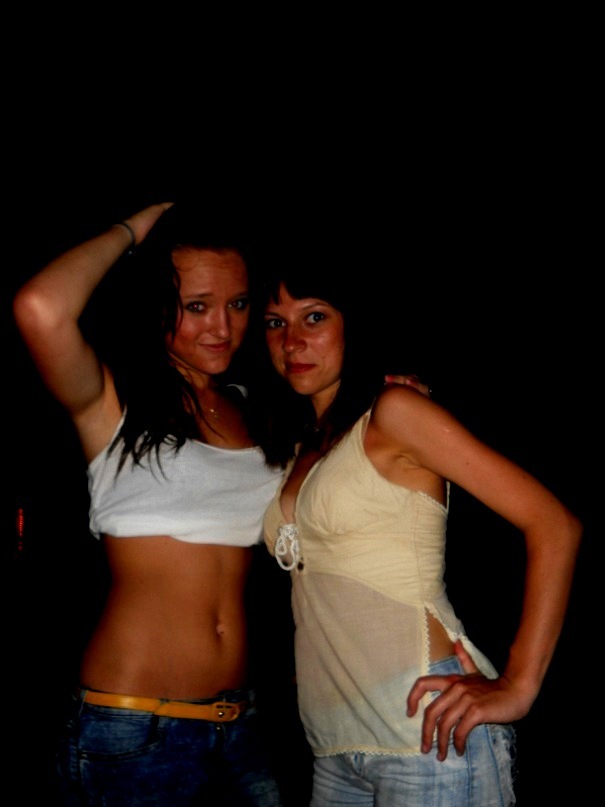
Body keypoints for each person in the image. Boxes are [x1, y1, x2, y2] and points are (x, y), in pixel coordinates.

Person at [12, 201, 428, 806]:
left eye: (237, 305)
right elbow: (40, 308)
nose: (222, 328)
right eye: (196, 306)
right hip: (134, 724)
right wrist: (138, 228)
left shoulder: (259, 413)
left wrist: (386, 394)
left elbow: (338, 464)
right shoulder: (111, 402)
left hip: (241, 724)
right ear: (159, 306)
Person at [255, 256, 583, 807]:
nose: (292, 342)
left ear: (351, 323)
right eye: (274, 323)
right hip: (334, 746)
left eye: (314, 317)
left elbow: (554, 524)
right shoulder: (300, 443)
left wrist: (519, 684)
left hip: (427, 732)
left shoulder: (394, 412)